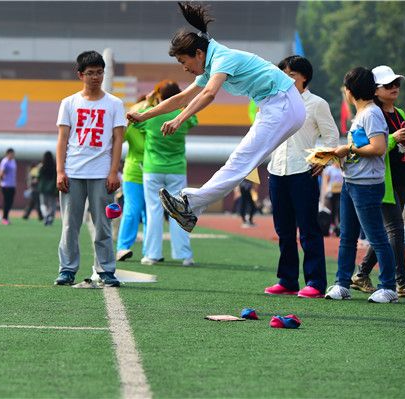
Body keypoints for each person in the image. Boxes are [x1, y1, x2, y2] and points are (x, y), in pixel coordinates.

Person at [127, 2, 306, 232]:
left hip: (283, 104)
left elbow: (210, 94)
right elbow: (181, 99)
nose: (184, 68)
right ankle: (192, 209)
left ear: (199, 54)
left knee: (240, 161)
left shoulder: (222, 58)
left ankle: (190, 204)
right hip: (276, 105)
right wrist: (144, 115)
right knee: (240, 161)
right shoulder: (211, 63)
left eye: (184, 62)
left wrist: (178, 120)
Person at [350, 65, 405, 299]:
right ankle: (402, 280)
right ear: (375, 90)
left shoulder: (400, 114)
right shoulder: (373, 114)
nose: (395, 88)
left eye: (397, 84)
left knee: (387, 231)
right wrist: (392, 139)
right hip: (382, 179)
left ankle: (361, 273)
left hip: (401, 178)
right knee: (395, 229)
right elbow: (373, 149)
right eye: (389, 85)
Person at [264, 55, 339, 298]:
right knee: (284, 230)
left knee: (308, 229)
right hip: (277, 171)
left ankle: (315, 282)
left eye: (291, 76)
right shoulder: (273, 101)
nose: (286, 80)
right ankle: (287, 280)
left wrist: (322, 161)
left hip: (302, 172)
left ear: (304, 77)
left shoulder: (317, 104)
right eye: (283, 75)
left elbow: (331, 136)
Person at [325, 67, 398, 303]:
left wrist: (348, 149)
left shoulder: (371, 114)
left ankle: (388, 287)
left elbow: (378, 148)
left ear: (349, 91)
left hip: (366, 185)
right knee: (347, 236)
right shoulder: (363, 114)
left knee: (376, 236)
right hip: (352, 182)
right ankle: (342, 283)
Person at [54, 50, 126, 287]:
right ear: (80, 75)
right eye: (91, 73)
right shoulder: (69, 103)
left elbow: (118, 140)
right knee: (69, 225)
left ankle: (105, 269)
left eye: (99, 73)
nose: (96, 77)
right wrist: (60, 171)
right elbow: (62, 140)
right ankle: (67, 269)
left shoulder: (115, 104)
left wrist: (113, 171)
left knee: (103, 226)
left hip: (101, 174)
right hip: (73, 173)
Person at [136, 81, 198, 266]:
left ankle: (152, 255)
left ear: (159, 96)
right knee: (179, 211)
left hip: (152, 170)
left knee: (153, 211)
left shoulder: (151, 117)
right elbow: (194, 120)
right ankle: (184, 255)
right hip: (176, 170)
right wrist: (183, 103)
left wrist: (148, 103)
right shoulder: (182, 116)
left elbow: (137, 124)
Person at [116, 95, 150, 262]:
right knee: (132, 210)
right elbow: (118, 140)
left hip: (154, 173)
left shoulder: (156, 123)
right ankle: (122, 248)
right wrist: (128, 122)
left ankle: (150, 250)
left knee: (150, 214)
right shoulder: (132, 127)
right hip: (134, 173)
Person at [320, 162, 343, 235]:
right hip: (331, 192)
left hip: (340, 191)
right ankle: (332, 225)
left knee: (339, 208)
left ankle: (338, 226)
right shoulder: (329, 169)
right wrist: (326, 191)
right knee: (332, 209)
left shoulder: (341, 169)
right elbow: (326, 181)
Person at [38, 151, 57, 226]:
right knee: (52, 204)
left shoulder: (42, 167)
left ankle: (46, 216)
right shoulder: (54, 166)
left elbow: (39, 177)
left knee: (43, 204)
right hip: (52, 188)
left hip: (43, 188)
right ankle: (50, 217)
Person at [0, 148, 17, 225]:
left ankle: (6, 217)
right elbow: (1, 173)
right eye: (11, 154)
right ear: (8, 154)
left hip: (12, 185)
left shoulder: (13, 161)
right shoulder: (5, 161)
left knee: (10, 202)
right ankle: (4, 219)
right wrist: (1, 181)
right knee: (6, 202)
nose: (13, 155)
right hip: (6, 185)